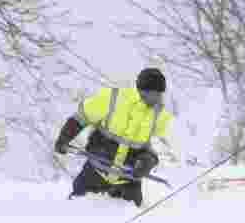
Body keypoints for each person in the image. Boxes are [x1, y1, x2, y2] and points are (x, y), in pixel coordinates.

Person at [54, 67, 174, 207]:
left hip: (128, 182)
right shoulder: (114, 97)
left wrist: (148, 160)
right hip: (96, 173)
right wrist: (64, 138)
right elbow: (82, 117)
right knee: (74, 212)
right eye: (156, 94)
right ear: (143, 90)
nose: (159, 98)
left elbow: (152, 146)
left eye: (161, 94)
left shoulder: (159, 114)